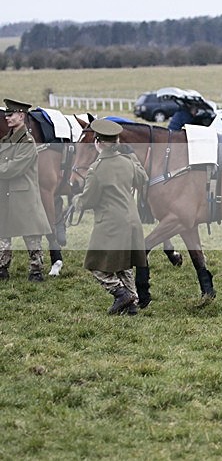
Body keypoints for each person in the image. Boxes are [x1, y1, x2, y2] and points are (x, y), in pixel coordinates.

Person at [73, 119, 148, 315]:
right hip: (132, 221)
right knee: (124, 265)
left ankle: (121, 293)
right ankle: (132, 306)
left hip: (110, 224)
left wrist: (76, 202)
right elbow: (143, 178)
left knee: (96, 265)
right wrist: (132, 156)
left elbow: (88, 200)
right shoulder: (127, 162)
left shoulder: (96, 169)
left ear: (98, 142)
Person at [0, 99, 51, 282]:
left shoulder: (28, 142)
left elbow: (14, 168)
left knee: (31, 235)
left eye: (10, 114)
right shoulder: (6, 139)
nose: (7, 117)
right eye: (6, 114)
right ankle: (2, 268)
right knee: (3, 232)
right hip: (6, 194)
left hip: (24, 195)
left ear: (21, 116)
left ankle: (36, 270)